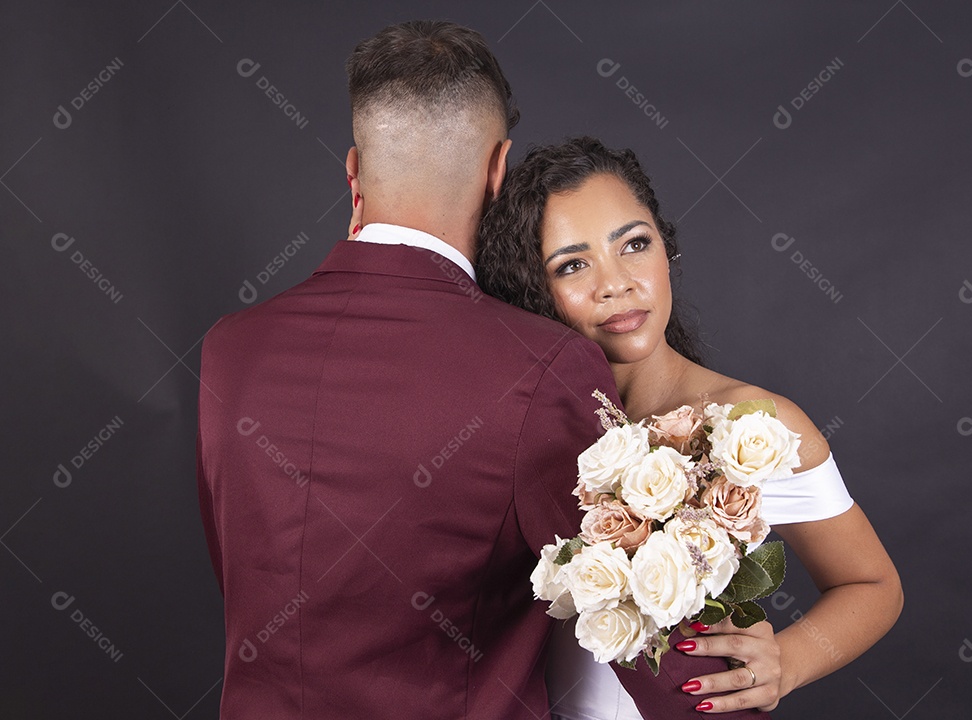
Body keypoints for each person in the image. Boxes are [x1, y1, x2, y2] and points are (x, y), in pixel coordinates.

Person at [200, 21, 743, 720]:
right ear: (498, 171)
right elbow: (632, 610)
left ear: (354, 172)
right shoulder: (545, 366)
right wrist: (737, 689)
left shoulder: (230, 347)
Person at [471, 137, 904, 718]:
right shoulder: (519, 430)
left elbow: (873, 587)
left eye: (634, 244)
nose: (616, 282)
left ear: (666, 250)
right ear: (530, 290)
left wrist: (787, 661)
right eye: (572, 264)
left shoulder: (754, 427)